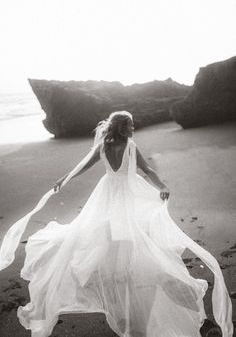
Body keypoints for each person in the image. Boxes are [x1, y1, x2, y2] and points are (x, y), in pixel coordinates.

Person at [0, 110, 233, 337]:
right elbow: (147, 169)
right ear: (122, 127)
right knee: (130, 235)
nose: (132, 128)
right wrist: (161, 186)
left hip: (107, 195)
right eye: (130, 125)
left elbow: (84, 166)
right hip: (126, 195)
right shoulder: (130, 147)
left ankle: (120, 272)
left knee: (113, 236)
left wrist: (65, 179)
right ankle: (126, 271)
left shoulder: (104, 146)